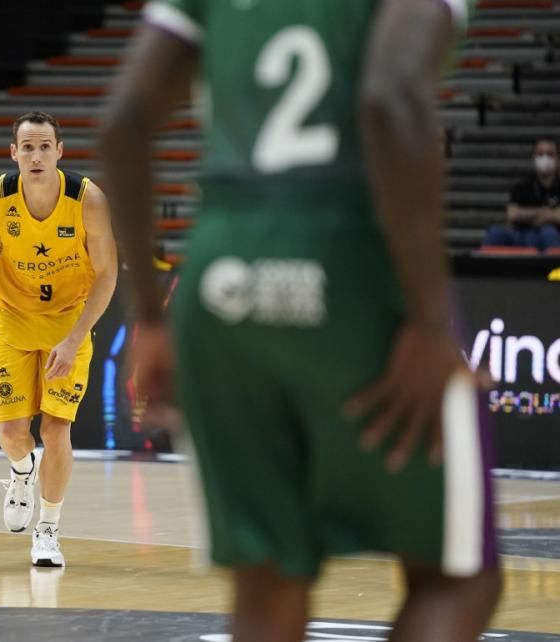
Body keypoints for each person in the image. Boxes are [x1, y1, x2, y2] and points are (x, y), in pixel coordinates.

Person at [100, 1, 501, 640]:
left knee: (266, 583)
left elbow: (123, 121)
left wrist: (149, 319)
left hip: (223, 266)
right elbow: (390, 96)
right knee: (456, 579)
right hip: (352, 258)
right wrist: (427, 323)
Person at [0, 111, 117, 567]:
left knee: (56, 430)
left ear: (59, 152)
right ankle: (21, 472)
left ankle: (48, 530)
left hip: (68, 326)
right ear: (13, 153)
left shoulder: (88, 201)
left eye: (44, 146)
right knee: (13, 434)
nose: (35, 155)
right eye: (27, 147)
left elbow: (107, 275)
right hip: (13, 321)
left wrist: (74, 339)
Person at [483, 137, 560, 250]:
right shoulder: (521, 188)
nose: (545, 158)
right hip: (520, 235)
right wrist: (546, 212)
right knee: (495, 233)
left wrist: (526, 215)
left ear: (557, 158)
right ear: (534, 157)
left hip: (549, 236)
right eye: (540, 154)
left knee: (549, 233)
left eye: (550, 154)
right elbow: (512, 215)